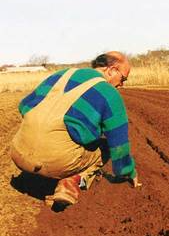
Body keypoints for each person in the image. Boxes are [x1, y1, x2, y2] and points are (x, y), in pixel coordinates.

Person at [10, 51, 141, 208]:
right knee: (105, 147)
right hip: (57, 162)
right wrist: (128, 172)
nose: (122, 84)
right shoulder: (109, 93)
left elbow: (24, 105)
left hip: (17, 152)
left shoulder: (61, 74)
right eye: (123, 78)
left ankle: (31, 176)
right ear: (111, 70)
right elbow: (119, 144)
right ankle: (72, 182)